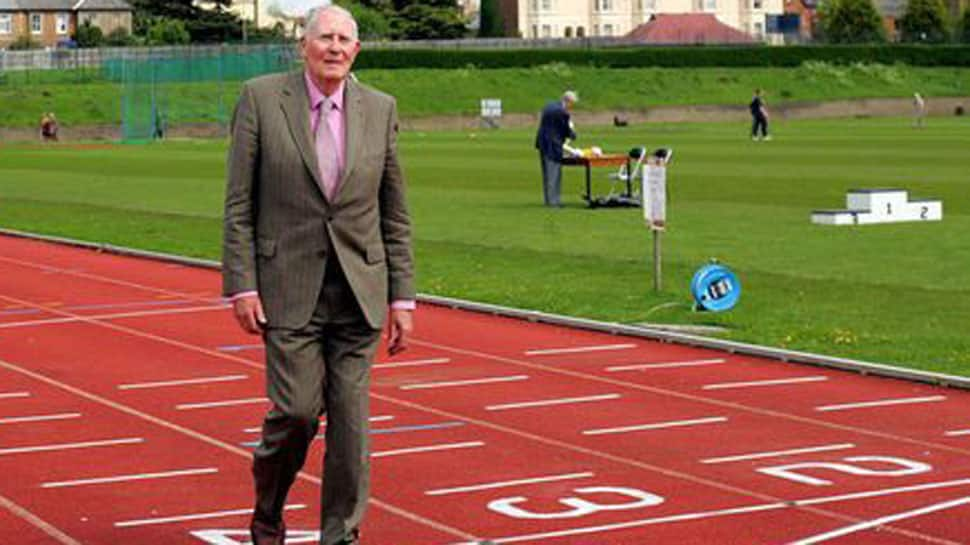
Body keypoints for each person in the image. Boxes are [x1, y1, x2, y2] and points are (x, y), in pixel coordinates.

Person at [221, 5, 415, 545]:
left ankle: (341, 535)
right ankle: (269, 509)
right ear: (303, 46)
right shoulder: (261, 99)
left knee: (351, 432)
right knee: (298, 414)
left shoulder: (381, 109)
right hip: (288, 289)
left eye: (345, 39)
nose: (334, 47)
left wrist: (403, 299)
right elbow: (239, 202)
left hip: (359, 293)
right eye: (325, 37)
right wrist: (242, 282)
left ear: (357, 50)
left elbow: (394, 211)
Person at [535, 90, 578, 207]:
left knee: (546, 174)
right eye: (571, 104)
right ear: (568, 101)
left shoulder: (549, 105)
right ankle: (554, 202)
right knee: (554, 173)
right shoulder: (562, 112)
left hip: (542, 142)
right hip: (553, 145)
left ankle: (548, 200)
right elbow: (565, 129)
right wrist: (573, 134)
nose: (571, 107)